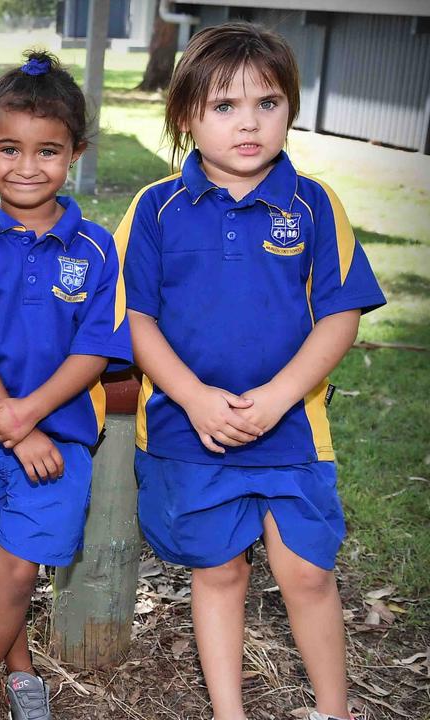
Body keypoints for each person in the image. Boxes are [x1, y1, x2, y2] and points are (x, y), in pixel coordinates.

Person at [122, 22, 385, 720]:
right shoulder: (155, 209)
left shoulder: (314, 204)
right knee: (219, 569)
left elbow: (340, 315)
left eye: (267, 103)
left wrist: (276, 397)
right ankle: (228, 713)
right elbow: (136, 320)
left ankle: (336, 708)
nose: (249, 124)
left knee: (305, 571)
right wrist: (195, 398)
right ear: (186, 116)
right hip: (191, 428)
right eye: (225, 107)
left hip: (292, 427)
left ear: (290, 109)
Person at [0, 50, 133, 720]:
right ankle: (19, 668)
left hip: (61, 437)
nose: (26, 167)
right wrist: (8, 421)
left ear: (74, 153)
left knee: (21, 566)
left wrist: (30, 419)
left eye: (47, 151)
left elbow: (97, 348)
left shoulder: (97, 248)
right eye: (8, 148)